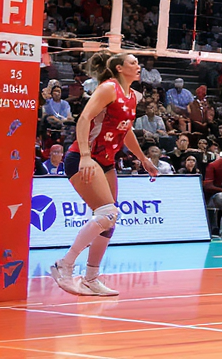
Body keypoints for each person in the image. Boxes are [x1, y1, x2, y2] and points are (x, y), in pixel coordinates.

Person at [49, 51, 159, 296]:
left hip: (106, 161)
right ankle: (64, 265)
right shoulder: (109, 88)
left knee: (109, 223)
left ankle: (90, 278)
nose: (138, 66)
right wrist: (86, 156)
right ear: (120, 68)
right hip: (83, 158)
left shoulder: (133, 96)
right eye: (133, 62)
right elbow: (84, 118)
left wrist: (144, 159)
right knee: (107, 213)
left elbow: (126, 131)